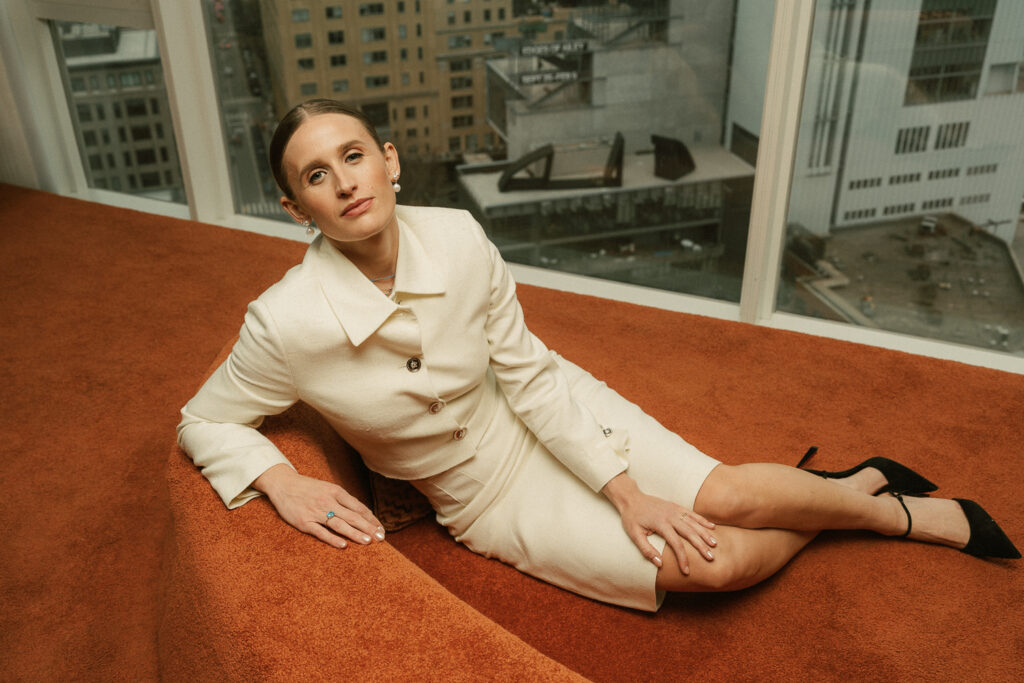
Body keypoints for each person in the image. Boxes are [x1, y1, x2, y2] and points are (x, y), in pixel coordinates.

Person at [178, 99, 1018, 612]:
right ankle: (848, 498)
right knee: (710, 561)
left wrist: (624, 491)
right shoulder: (282, 322)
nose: (346, 181)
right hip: (487, 500)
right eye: (317, 175)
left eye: (354, 155)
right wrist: (280, 480)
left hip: (549, 407)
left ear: (389, 162)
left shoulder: (461, 236)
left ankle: (878, 505)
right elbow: (203, 416)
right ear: (297, 208)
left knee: (724, 491)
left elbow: (526, 373)